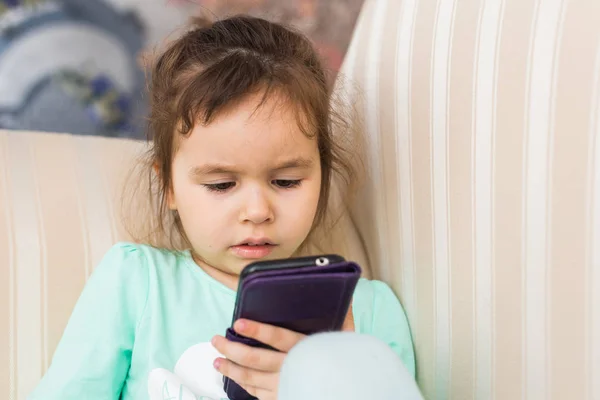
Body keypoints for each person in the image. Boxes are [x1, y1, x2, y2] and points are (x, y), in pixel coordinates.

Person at [28, 15, 418, 400]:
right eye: (221, 185)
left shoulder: (368, 311)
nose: (256, 211)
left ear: (323, 174)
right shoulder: (138, 284)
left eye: (286, 182)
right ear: (169, 186)